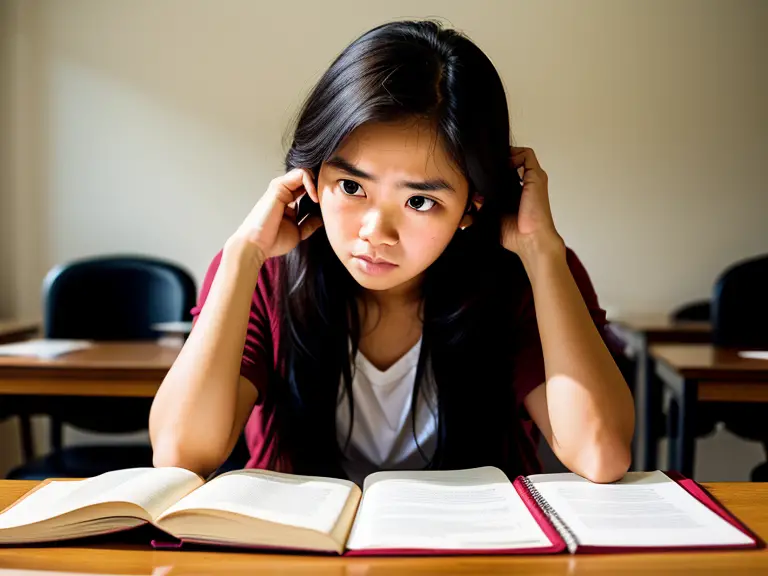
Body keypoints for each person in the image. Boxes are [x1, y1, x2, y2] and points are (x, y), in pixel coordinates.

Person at [149, 20, 634, 486]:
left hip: (473, 560)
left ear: (471, 205)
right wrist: (241, 256)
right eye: (352, 186)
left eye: (419, 201)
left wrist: (543, 256)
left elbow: (600, 451)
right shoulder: (264, 271)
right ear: (312, 178)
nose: (375, 232)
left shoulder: (528, 274)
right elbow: (180, 454)